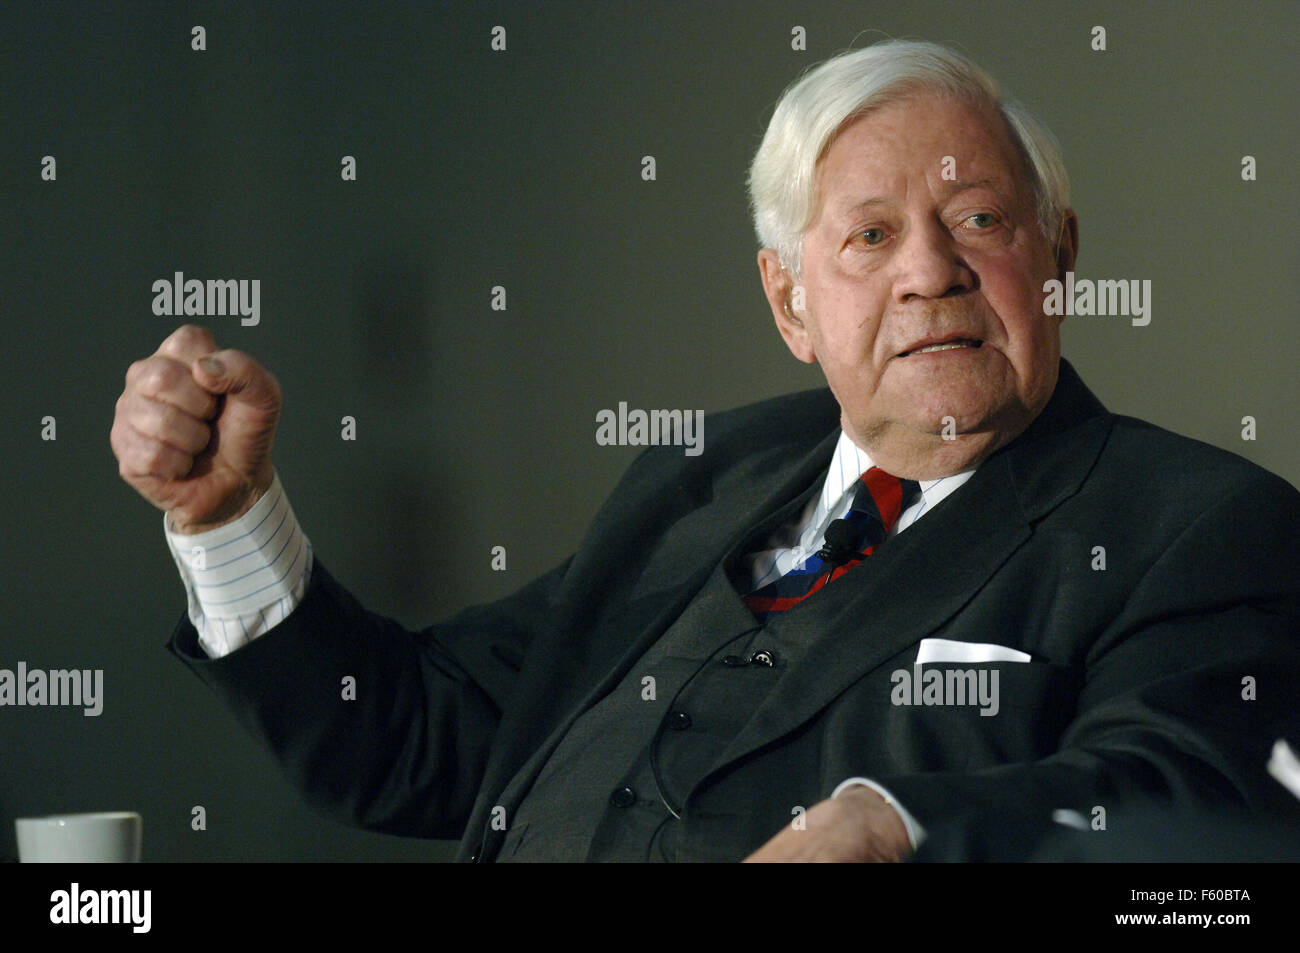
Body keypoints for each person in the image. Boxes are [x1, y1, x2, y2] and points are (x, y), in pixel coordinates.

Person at [110, 39, 1300, 862]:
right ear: (789, 305)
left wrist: (893, 824)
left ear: (1057, 255)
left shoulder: (1192, 521)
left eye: (979, 220)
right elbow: (417, 732)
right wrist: (228, 514)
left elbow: (1189, 808)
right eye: (870, 235)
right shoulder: (702, 480)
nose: (928, 271)